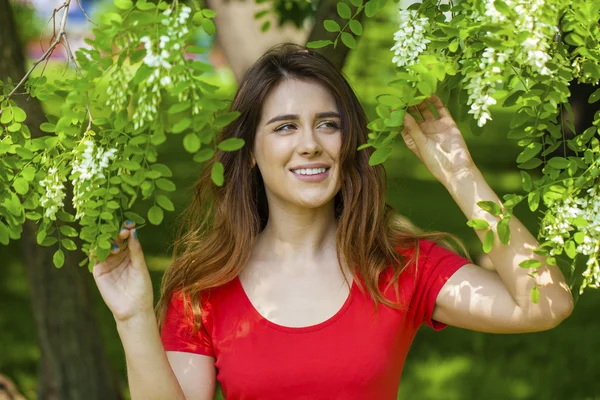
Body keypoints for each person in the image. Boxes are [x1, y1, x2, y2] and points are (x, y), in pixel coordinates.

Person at [92, 43, 575, 400]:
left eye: (328, 123)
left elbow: (546, 303)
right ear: (251, 153)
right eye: (285, 127)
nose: (311, 144)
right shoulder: (204, 286)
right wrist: (132, 316)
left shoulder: (398, 265)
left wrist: (461, 175)